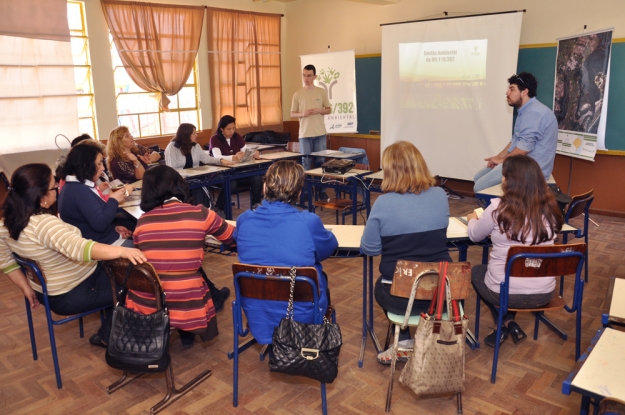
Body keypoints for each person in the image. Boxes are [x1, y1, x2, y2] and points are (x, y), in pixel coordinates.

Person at [0, 164, 147, 347]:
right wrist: (123, 250)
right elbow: (81, 249)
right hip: (72, 292)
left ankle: (112, 329)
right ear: (42, 197)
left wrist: (26, 288)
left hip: (47, 290)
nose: (58, 190)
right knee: (136, 283)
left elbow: (6, 262)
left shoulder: (5, 223)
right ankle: (112, 336)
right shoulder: (44, 224)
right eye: (55, 187)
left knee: (119, 271)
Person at [360, 141, 451, 365]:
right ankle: (425, 339)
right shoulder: (440, 195)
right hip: (441, 296)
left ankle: (405, 341)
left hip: (399, 299)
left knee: (385, 283)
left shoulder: (383, 203)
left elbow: (369, 249)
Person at [131, 165, 235, 348]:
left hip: (149, 300)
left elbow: (142, 255)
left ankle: (178, 331)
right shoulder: (200, 214)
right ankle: (187, 329)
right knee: (190, 273)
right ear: (178, 184)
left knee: (172, 267)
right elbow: (232, 238)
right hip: (187, 301)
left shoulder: (142, 221)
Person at [234, 160, 338, 344]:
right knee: (320, 276)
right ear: (298, 193)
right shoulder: (308, 222)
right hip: (301, 319)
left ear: (264, 187)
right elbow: (328, 249)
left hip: (258, 316)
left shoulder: (244, 221)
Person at [468, 155, 563, 348]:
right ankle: (509, 322)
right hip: (544, 293)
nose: (502, 180)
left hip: (504, 292)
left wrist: (472, 218)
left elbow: (474, 236)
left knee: (478, 272)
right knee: (517, 272)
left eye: (504, 176)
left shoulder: (497, 208)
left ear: (510, 181)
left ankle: (502, 324)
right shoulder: (552, 209)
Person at [473, 72, 558, 193]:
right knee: (477, 178)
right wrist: (498, 157)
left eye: (512, 89)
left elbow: (524, 149)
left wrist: (503, 161)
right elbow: (515, 141)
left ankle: (501, 211)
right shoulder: (525, 110)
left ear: (525, 92)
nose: (507, 93)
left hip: (531, 171)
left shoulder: (534, 113)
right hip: (520, 164)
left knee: (479, 187)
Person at [58, 143, 134, 247]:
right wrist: (114, 200)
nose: (103, 168)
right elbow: (100, 224)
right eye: (99, 164)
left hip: (103, 239)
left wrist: (113, 228)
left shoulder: (75, 186)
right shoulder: (79, 191)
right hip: (104, 247)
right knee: (149, 249)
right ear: (85, 165)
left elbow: (91, 220)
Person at [165, 123, 236, 209]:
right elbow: (171, 169)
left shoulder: (195, 146)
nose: (197, 135)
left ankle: (205, 210)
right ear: (186, 135)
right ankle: (206, 210)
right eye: (194, 133)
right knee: (201, 187)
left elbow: (206, 158)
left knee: (201, 185)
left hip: (195, 178)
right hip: (179, 180)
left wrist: (221, 161)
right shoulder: (172, 147)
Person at [209, 115, 263, 211]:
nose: (232, 131)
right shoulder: (215, 139)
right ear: (221, 129)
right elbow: (217, 157)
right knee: (231, 184)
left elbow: (245, 151)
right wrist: (233, 157)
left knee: (257, 178)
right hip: (220, 173)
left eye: (233, 128)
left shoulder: (236, 137)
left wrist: (254, 153)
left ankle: (256, 204)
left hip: (237, 171)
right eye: (228, 129)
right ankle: (220, 205)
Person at [290, 64, 332, 172]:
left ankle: (320, 189)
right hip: (304, 135)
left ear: (315, 77)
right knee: (306, 164)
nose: (306, 79)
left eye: (309, 76)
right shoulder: (297, 94)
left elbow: (328, 109)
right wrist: (302, 114)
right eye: (304, 75)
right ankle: (305, 189)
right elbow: (292, 114)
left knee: (321, 162)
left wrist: (319, 110)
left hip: (320, 134)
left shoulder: (321, 91)